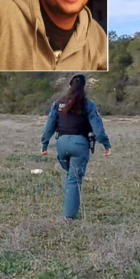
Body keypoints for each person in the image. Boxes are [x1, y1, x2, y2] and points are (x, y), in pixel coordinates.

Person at [41, 74, 111, 221]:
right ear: (85, 88)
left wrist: (44, 144)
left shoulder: (58, 103)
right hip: (80, 144)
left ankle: (69, 205)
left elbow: (49, 125)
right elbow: (98, 129)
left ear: (69, 87)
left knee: (70, 176)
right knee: (74, 179)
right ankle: (68, 217)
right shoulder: (89, 105)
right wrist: (106, 144)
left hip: (61, 144)